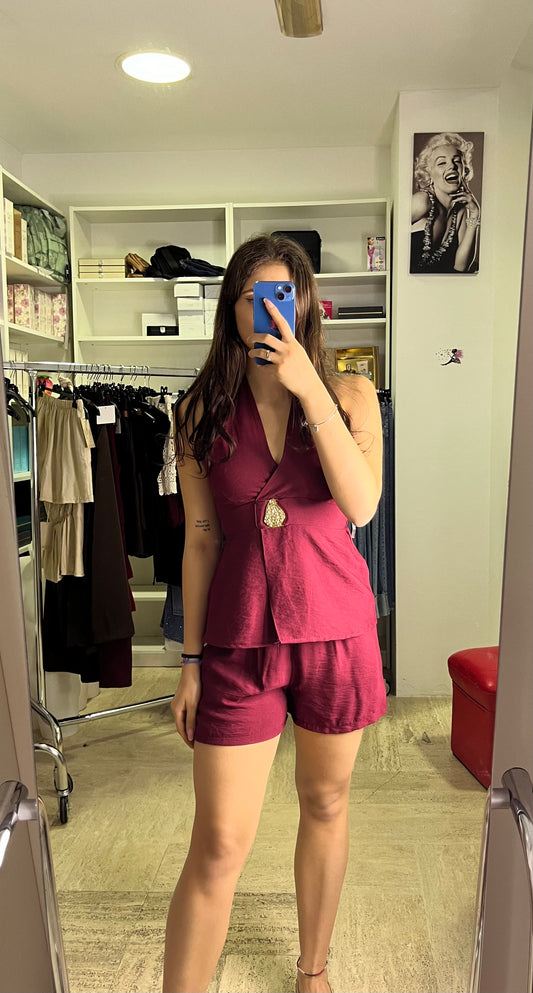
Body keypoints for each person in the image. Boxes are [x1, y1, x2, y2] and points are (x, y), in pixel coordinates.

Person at [163, 234, 387, 993]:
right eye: (253, 296)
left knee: (325, 800)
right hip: (239, 636)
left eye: (282, 295)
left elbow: (360, 504)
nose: (268, 310)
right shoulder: (199, 411)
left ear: (306, 304)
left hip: (336, 631)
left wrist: (308, 387)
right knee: (220, 840)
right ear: (232, 308)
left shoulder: (350, 395)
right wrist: (189, 663)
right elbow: (200, 540)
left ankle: (312, 969)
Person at [410, 131, 481, 273]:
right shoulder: (422, 201)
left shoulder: (460, 211)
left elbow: (461, 266)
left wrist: (475, 214)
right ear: (428, 173)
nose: (452, 167)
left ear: (464, 170)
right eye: (442, 163)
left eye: (457, 161)